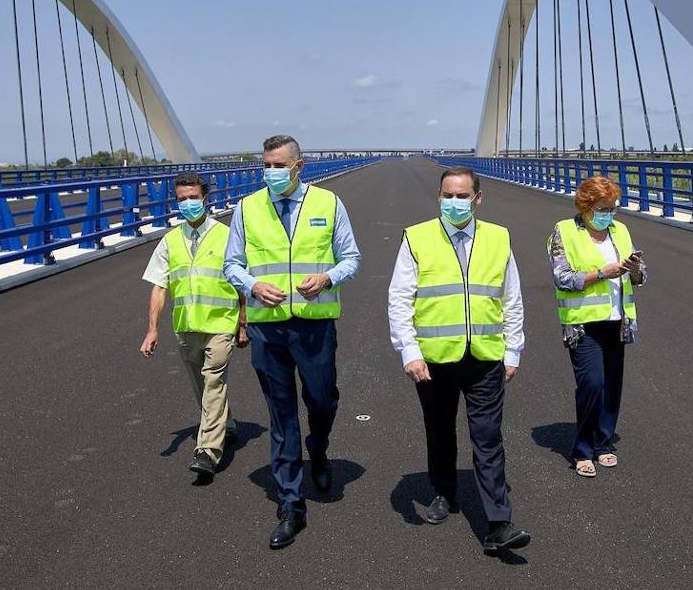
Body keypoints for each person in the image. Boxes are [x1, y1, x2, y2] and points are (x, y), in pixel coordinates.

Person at [223, 135, 361, 549]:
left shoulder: (328, 204)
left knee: (321, 400)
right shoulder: (248, 208)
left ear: (298, 166)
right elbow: (232, 264)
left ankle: (317, 449)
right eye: (266, 165)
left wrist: (327, 278)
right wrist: (252, 285)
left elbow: (351, 258)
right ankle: (290, 504)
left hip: (315, 325)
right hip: (269, 327)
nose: (271, 173)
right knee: (280, 413)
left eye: (279, 165)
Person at [387, 166, 531, 556]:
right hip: (433, 359)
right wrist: (410, 351)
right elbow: (400, 298)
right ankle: (443, 491)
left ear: (477, 198)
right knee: (439, 429)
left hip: (485, 357)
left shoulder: (499, 238)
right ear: (439, 196)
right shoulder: (417, 238)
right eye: (448, 195)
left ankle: (499, 523)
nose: (454, 202)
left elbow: (510, 297)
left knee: (488, 438)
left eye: (462, 195)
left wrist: (512, 350)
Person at [140, 172, 248, 479]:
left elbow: (240, 283)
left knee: (213, 380)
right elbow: (159, 287)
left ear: (206, 198)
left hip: (220, 325)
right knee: (201, 386)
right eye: (181, 199)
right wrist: (152, 330)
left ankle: (208, 451)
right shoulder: (171, 240)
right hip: (186, 327)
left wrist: (243, 324)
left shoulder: (227, 236)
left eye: (193, 197)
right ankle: (225, 425)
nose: (187, 203)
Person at [547, 175, 647, 478]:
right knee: (591, 383)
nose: (608, 214)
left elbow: (640, 277)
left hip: (617, 320)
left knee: (612, 386)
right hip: (583, 323)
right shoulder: (564, 232)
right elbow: (562, 278)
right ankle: (583, 450)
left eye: (613, 208)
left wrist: (634, 271)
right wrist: (602, 273)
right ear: (586, 206)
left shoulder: (620, 231)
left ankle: (604, 444)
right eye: (603, 208)